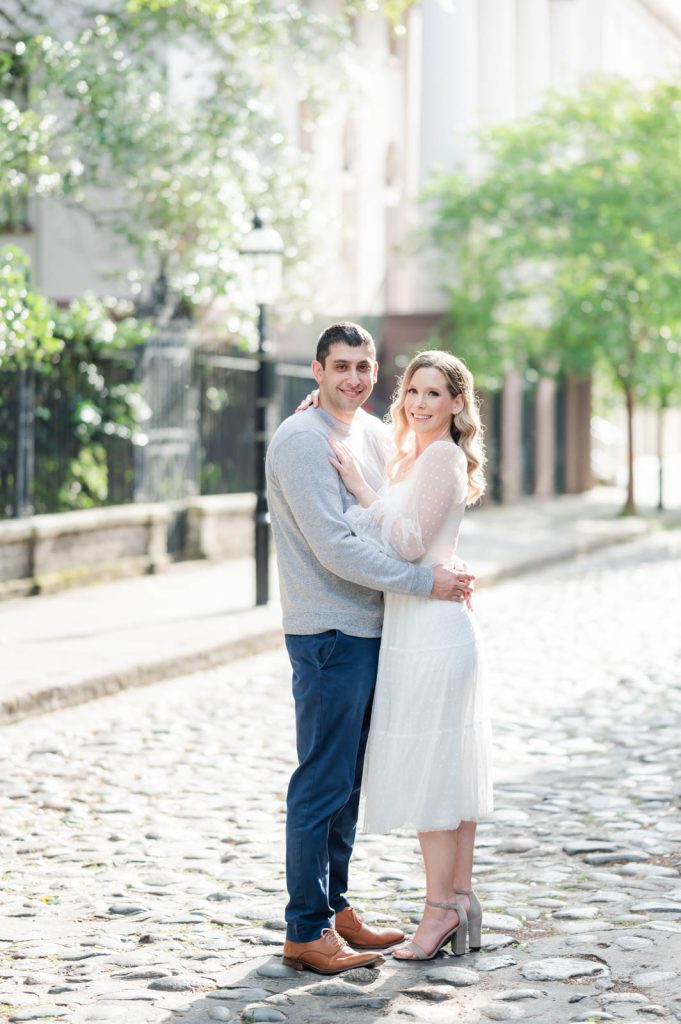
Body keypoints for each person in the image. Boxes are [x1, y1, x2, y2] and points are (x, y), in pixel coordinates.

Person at [265, 322, 474, 975]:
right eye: (340, 367)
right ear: (316, 370)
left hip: (374, 628)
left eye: (363, 367)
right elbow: (336, 546)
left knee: (346, 784)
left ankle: (336, 909)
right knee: (322, 780)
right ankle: (306, 928)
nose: (353, 379)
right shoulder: (302, 439)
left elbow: (406, 493)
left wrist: (441, 564)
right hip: (329, 630)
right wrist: (423, 580)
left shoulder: (366, 431)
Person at [327, 349, 493, 961]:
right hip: (421, 621)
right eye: (413, 392)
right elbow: (420, 539)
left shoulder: (442, 455)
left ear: (456, 404)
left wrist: (361, 491)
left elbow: (407, 542)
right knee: (446, 769)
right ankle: (461, 898)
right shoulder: (416, 456)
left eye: (434, 394)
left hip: (434, 630)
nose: (420, 403)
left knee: (433, 775)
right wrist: (319, 408)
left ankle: (439, 912)